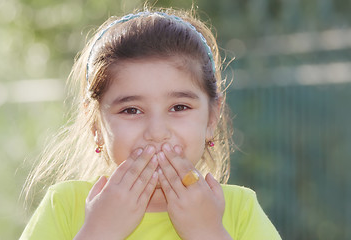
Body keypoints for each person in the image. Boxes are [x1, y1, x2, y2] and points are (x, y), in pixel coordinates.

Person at [20, 7, 281, 240]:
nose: (157, 133)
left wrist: (208, 233)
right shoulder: (65, 207)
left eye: (179, 107)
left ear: (212, 117)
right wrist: (99, 233)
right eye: (131, 110)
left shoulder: (239, 210)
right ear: (95, 125)